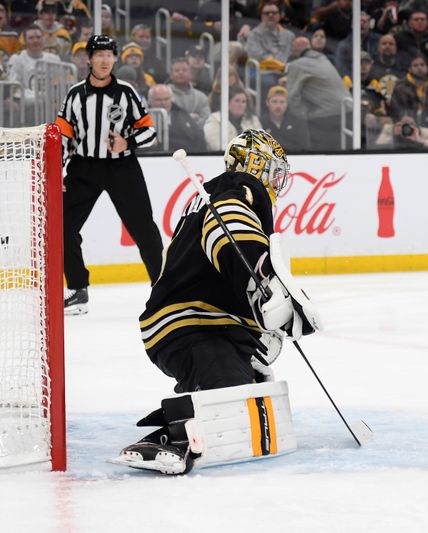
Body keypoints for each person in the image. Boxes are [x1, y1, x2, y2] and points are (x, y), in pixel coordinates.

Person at [112, 130, 320, 474]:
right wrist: (262, 284)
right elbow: (228, 233)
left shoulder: (213, 193)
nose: (277, 181)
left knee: (249, 399)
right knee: (232, 404)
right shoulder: (238, 186)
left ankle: (202, 398)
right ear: (254, 163)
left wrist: (257, 326)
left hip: (200, 322)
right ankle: (171, 436)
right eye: (273, 169)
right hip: (190, 322)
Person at [57, 35, 162, 315]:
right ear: (89, 59)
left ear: (115, 59)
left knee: (145, 231)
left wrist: (128, 142)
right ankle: (78, 290)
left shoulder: (127, 92)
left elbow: (150, 130)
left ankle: (165, 291)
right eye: (99, 55)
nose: (104, 60)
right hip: (83, 168)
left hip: (122, 168)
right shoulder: (75, 94)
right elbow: (63, 137)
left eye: (109, 55)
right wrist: (56, 172)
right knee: (61, 227)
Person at [286, 36, 348, 151]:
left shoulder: (297, 65)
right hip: (347, 111)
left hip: (325, 117)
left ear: (296, 49)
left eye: (292, 47)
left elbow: (292, 97)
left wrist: (300, 118)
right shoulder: (324, 60)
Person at [147, 83, 206, 153]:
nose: (163, 103)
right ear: (150, 101)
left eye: (166, 99)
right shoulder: (140, 118)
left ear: (171, 100)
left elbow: (198, 140)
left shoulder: (183, 117)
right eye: (158, 100)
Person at [203, 85, 263, 151]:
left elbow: (261, 144)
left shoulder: (253, 120)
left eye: (243, 102)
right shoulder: (215, 119)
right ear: (227, 102)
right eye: (237, 101)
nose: (240, 105)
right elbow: (215, 146)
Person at [260, 85, 311, 152]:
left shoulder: (298, 122)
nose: (278, 106)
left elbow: (305, 147)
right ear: (267, 102)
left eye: (282, 102)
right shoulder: (260, 122)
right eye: (274, 101)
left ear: (287, 103)